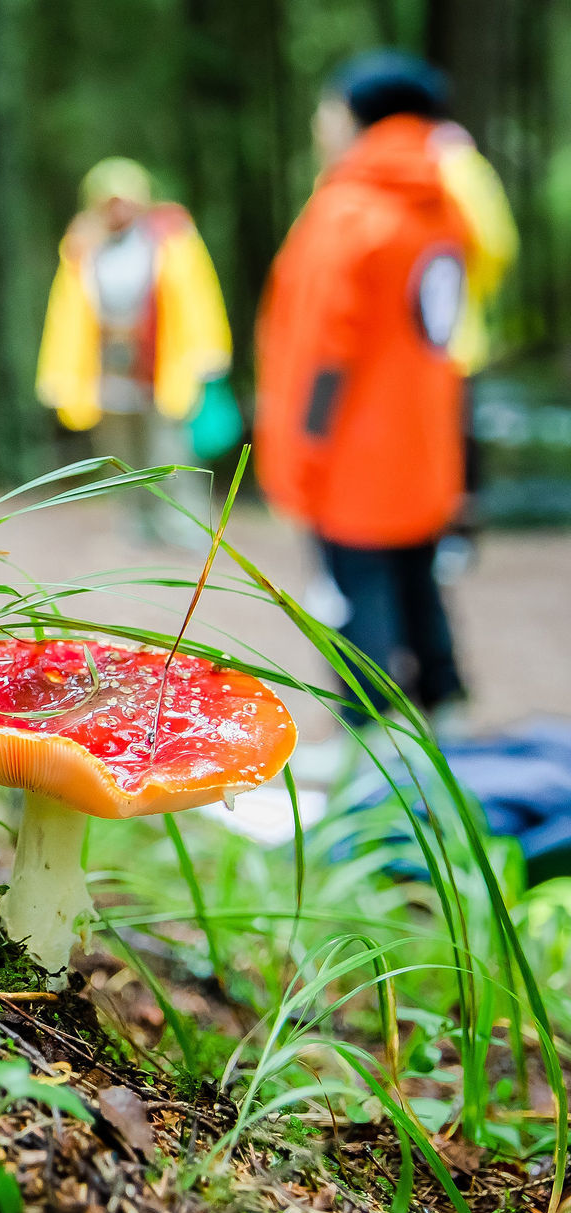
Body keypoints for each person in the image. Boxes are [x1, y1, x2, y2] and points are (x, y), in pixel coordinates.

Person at [256, 52, 478, 727]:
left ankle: (370, 745)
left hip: (352, 459)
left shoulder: (346, 213)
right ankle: (449, 716)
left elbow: (322, 358)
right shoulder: (443, 205)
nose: (320, 124)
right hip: (425, 448)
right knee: (420, 585)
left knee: (357, 599)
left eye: (327, 109)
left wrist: (299, 463)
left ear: (356, 115)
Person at [35, 158, 233, 549]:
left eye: (124, 200)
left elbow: (198, 296)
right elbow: (66, 314)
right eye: (108, 202)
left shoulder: (171, 238)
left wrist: (208, 353)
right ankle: (137, 525)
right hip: (107, 366)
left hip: (162, 362)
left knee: (170, 447)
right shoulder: (81, 247)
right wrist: (59, 373)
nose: (117, 210)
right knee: (119, 452)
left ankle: (184, 527)